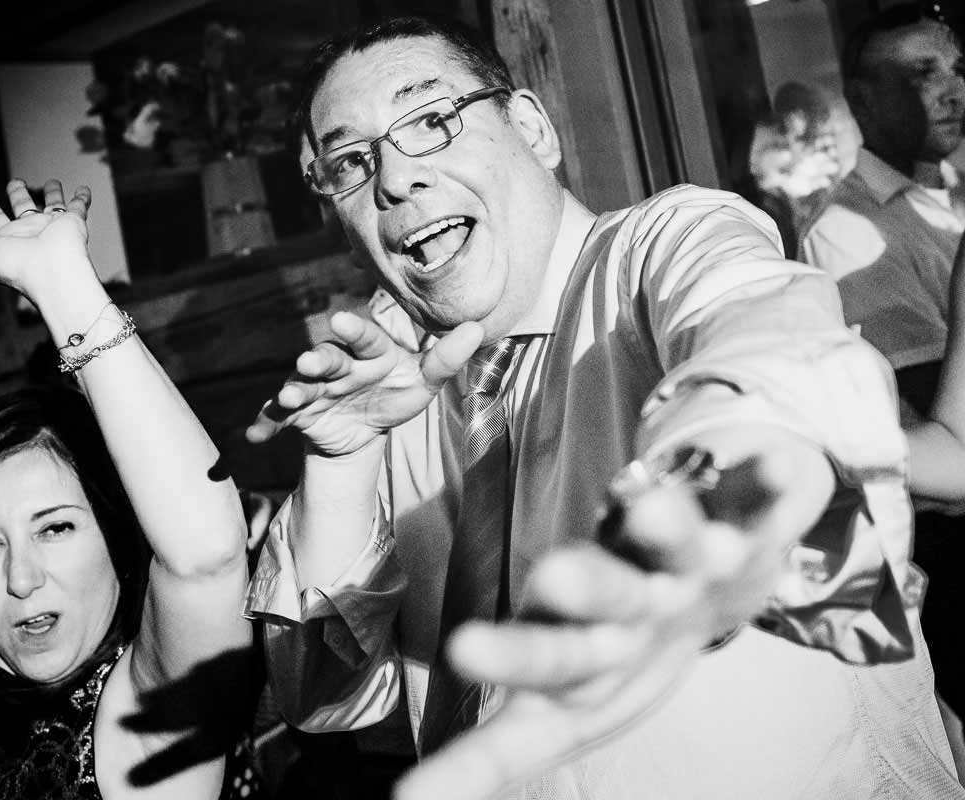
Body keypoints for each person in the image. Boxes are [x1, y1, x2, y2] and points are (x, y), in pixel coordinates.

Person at [242, 14, 961, 800]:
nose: (392, 179)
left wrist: (722, 487)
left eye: (431, 120)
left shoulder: (663, 245)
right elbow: (326, 700)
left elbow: (761, 336)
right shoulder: (388, 379)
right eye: (350, 160)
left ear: (531, 128)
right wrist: (341, 461)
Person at [0, 177, 261, 799]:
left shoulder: (137, 721)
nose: (21, 579)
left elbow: (206, 553)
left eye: (56, 528)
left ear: (119, 543)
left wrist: (62, 285)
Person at [799, 4, 965, 726]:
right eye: (923, 73)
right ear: (863, 100)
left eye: (957, 67)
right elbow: (932, 406)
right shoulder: (848, 225)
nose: (952, 89)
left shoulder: (948, 197)